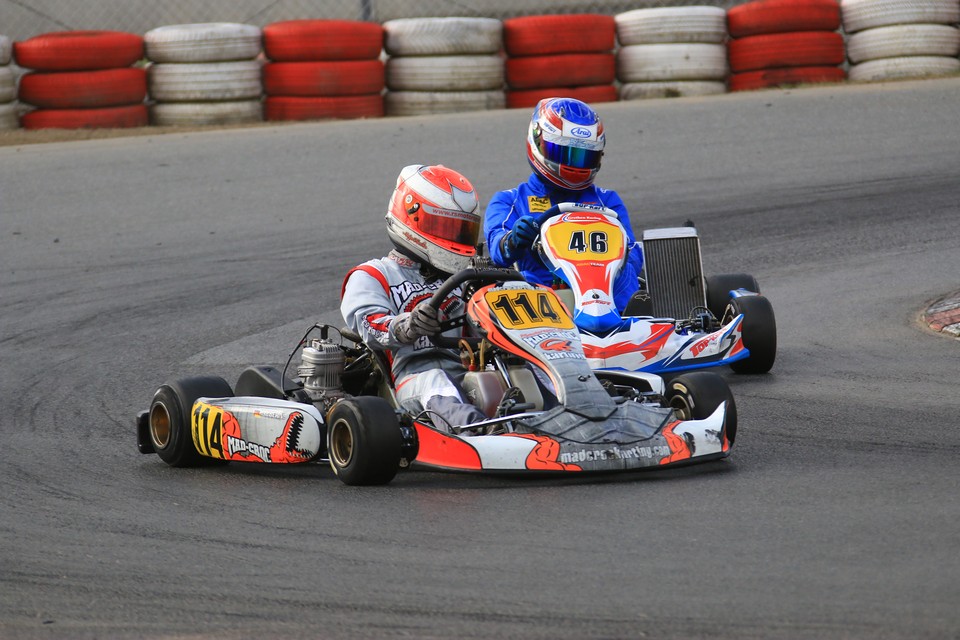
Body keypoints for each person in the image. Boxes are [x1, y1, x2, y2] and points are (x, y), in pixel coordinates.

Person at [340, 164, 488, 431]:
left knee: (523, 370)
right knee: (436, 380)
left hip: (470, 371)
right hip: (413, 379)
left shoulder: (471, 276)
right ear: (412, 218)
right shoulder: (373, 274)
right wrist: (407, 325)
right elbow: (369, 325)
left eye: (461, 229)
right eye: (445, 226)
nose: (455, 237)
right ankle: (477, 432)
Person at [483, 97, 644, 311]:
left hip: (606, 298)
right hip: (542, 302)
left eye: (584, 157)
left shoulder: (607, 201)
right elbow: (497, 249)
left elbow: (632, 251)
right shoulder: (510, 201)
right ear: (538, 142)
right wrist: (512, 241)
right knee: (515, 287)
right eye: (564, 153)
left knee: (629, 271)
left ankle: (629, 319)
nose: (574, 165)